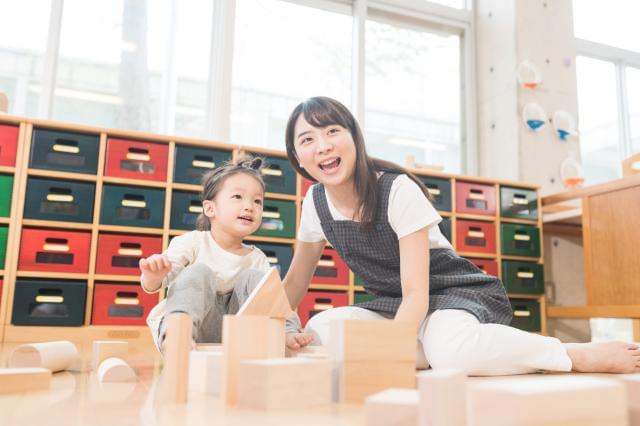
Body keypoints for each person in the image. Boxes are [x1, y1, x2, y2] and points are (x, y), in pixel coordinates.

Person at [281, 96, 640, 375]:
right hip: (396, 306)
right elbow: (297, 279)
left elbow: (418, 293)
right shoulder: (315, 201)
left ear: (353, 137)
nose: (323, 145)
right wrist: (278, 325)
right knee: (322, 328)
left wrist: (385, 354)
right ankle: (442, 348)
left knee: (452, 353)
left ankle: (570, 354)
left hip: (450, 294)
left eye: (332, 132)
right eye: (308, 139)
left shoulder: (396, 189)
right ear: (298, 156)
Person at [140, 157, 312, 352]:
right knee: (199, 272)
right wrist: (153, 276)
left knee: (261, 283)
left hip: (237, 336)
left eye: (257, 201)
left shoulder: (258, 259)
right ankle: (177, 334)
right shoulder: (191, 242)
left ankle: (286, 332)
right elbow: (156, 283)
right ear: (210, 208)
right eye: (238, 197)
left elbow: (274, 303)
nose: (249, 206)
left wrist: (288, 328)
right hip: (193, 329)